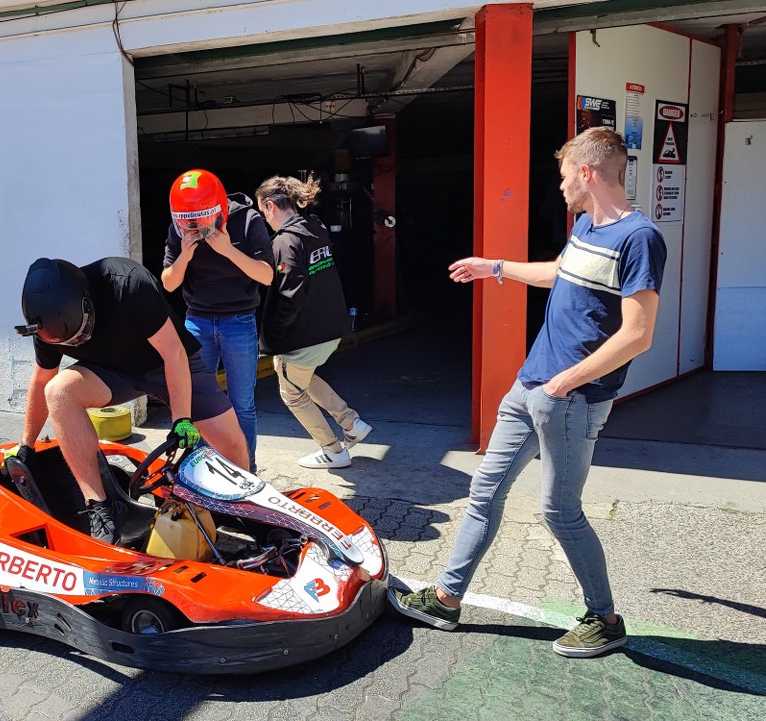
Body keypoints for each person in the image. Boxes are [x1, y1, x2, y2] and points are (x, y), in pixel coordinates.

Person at [388, 127, 666, 659]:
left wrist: (565, 382)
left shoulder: (639, 238)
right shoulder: (586, 225)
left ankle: (605, 620)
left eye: (563, 177)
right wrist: (493, 268)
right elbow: (559, 273)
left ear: (586, 173)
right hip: (530, 384)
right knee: (484, 493)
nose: (560, 187)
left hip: (572, 398)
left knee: (560, 512)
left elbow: (638, 334)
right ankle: (446, 599)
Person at [12, 256, 249, 543]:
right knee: (58, 391)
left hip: (166, 363)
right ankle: (99, 507)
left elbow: (173, 352)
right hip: (111, 372)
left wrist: (181, 419)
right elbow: (42, 380)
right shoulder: (46, 323)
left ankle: (243, 508)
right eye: (69, 342)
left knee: (232, 442)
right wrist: (26, 446)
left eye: (81, 334)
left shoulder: (128, 283)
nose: (77, 343)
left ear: (86, 303)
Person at [254, 174, 372, 469]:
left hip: (307, 335)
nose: (264, 219)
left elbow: (290, 295)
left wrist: (273, 339)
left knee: (291, 393)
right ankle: (351, 422)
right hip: (330, 327)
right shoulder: (314, 227)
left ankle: (333, 451)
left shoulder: (285, 241)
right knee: (297, 376)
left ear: (270, 206)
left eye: (262, 211)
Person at [161, 169, 272, 471]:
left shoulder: (247, 220)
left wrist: (227, 250)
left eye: (201, 221)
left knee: (241, 405)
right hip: (197, 321)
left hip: (239, 321)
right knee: (197, 402)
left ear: (219, 211)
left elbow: (266, 275)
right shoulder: (180, 228)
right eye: (188, 222)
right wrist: (184, 256)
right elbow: (169, 284)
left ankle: (246, 471)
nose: (196, 227)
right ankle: (201, 472)